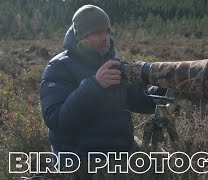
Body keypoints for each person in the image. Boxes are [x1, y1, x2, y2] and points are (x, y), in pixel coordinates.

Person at [40, 4, 164, 179]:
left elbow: (138, 100)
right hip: (82, 160)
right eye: (98, 33)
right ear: (81, 37)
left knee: (167, 165)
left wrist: (164, 87)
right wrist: (94, 86)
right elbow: (57, 120)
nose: (106, 37)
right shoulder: (58, 68)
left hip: (121, 151)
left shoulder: (112, 62)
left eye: (107, 31)